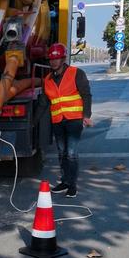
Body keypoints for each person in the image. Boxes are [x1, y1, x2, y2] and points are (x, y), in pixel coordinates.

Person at [43, 43, 93, 198]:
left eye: (57, 58)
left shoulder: (76, 73)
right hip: (58, 120)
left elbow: (86, 95)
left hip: (74, 120)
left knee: (71, 153)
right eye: (51, 59)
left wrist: (86, 115)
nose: (54, 62)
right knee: (61, 153)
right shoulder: (48, 79)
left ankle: (72, 185)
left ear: (63, 58)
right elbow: (44, 102)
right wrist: (35, 121)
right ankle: (65, 181)